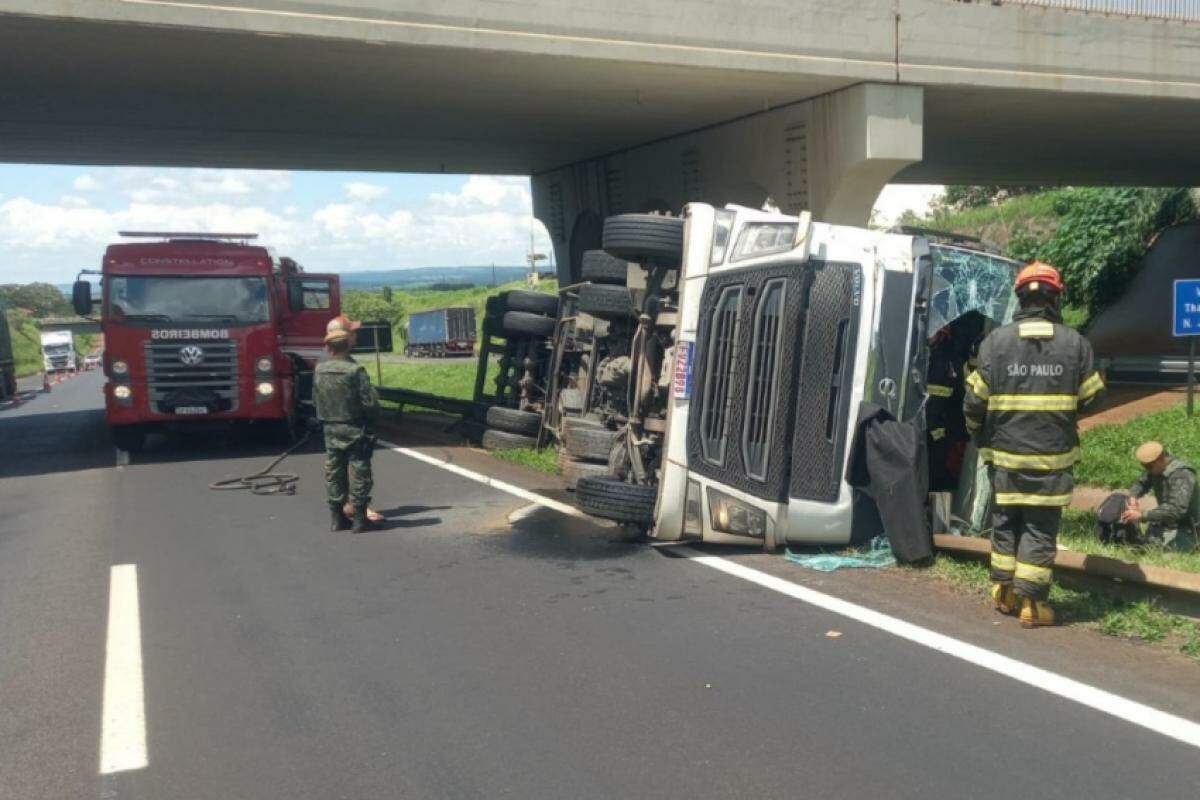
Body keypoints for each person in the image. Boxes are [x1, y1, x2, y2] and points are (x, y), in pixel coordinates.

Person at [963, 261, 1105, 628]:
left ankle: (1004, 592)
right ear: (1056, 298)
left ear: (1020, 298)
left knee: (1005, 522)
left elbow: (975, 401)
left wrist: (977, 433)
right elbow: (1093, 396)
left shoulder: (996, 342)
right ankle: (1033, 604)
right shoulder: (1075, 343)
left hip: (1005, 458)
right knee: (1040, 529)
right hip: (1052, 460)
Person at [314, 314, 380, 533]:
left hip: (330, 427)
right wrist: (372, 421)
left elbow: (316, 398)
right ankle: (360, 518)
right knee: (360, 469)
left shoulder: (319, 369)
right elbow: (369, 403)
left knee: (334, 470)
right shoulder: (355, 370)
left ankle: (337, 518)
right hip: (354, 427)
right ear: (346, 341)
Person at [1121, 441, 1198, 551]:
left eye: (1148, 466)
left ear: (1160, 459)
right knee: (1140, 547)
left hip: (1187, 528)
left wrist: (1142, 515)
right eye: (1144, 466)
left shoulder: (1182, 475)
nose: (1147, 469)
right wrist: (1133, 496)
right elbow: (1141, 483)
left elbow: (1176, 509)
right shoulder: (1156, 469)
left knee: (1166, 554)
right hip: (1166, 523)